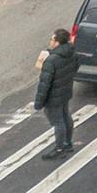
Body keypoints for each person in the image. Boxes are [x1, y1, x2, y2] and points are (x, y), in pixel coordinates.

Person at [33, 27, 79, 159]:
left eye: (52, 39)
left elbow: (44, 84)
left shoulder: (51, 61)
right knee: (66, 116)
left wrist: (38, 103)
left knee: (58, 122)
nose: (50, 42)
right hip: (65, 91)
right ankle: (67, 143)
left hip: (53, 96)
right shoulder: (72, 53)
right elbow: (75, 67)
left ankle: (59, 148)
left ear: (57, 42)